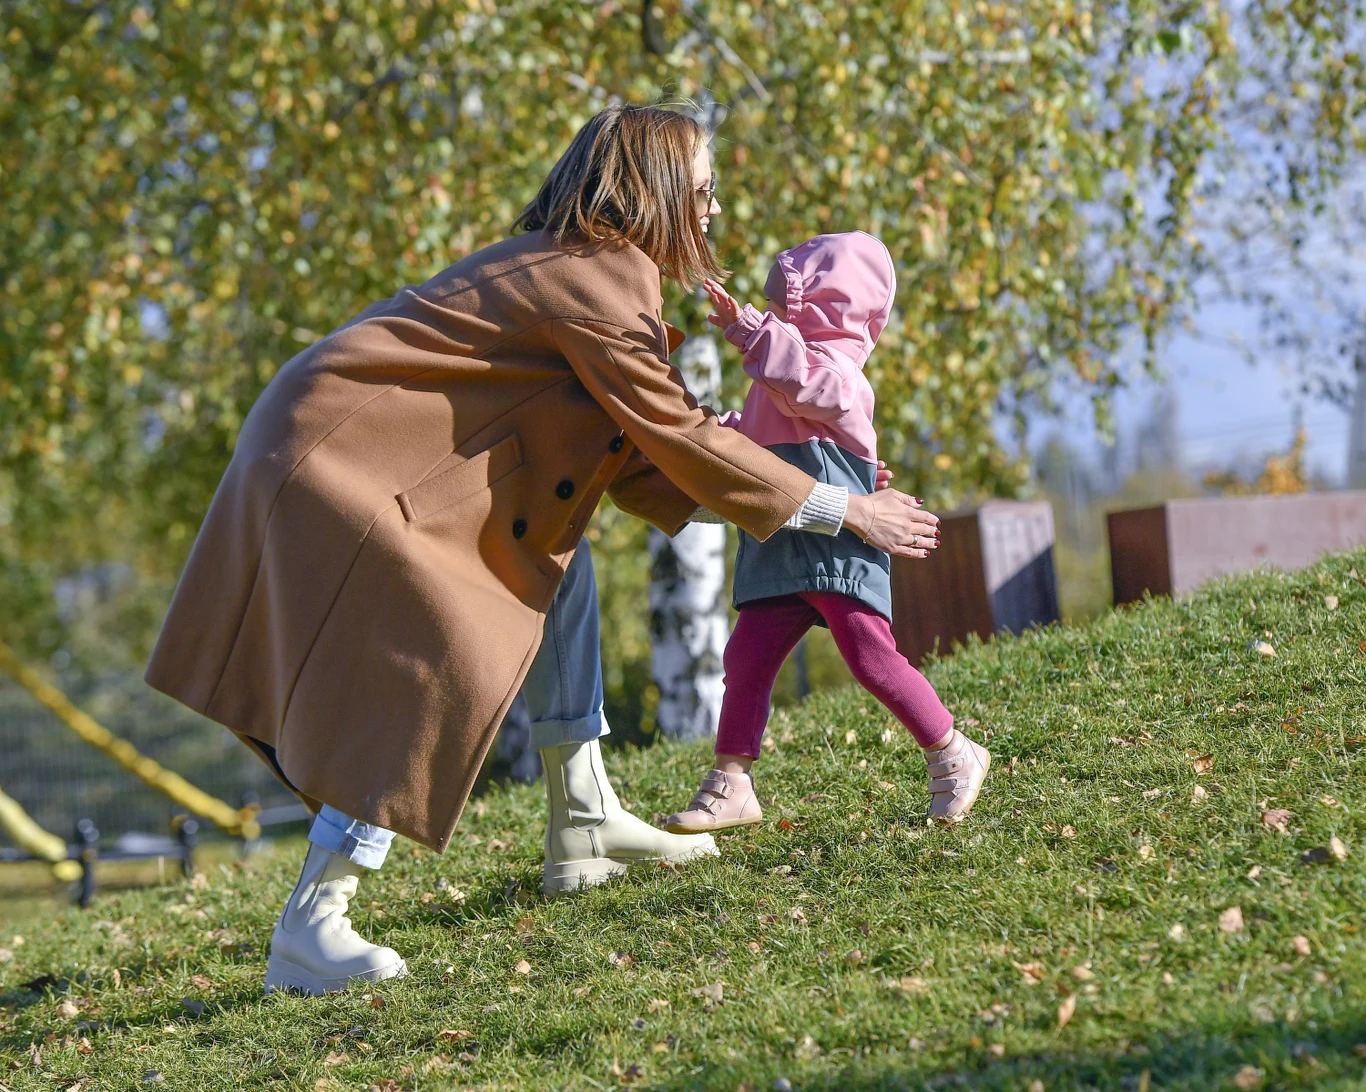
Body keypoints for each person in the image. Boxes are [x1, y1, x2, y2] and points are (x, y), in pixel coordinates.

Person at [144, 107, 942, 996]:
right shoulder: (595, 279)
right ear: (661, 187)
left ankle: (583, 817)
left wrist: (803, 487)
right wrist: (842, 510)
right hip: (342, 458)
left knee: (559, 567)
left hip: (338, 442)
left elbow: (644, 457)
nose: (713, 210)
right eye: (706, 188)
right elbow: (678, 441)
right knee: (439, 630)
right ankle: (312, 924)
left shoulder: (595, 272)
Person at [665, 232, 990, 835]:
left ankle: (951, 749)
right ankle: (732, 781)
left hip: (838, 539)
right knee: (747, 658)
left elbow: (806, 382)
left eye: (791, 308)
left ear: (826, 309)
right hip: (782, 540)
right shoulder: (778, 376)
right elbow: (757, 436)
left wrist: (751, 331)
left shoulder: (840, 375)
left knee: (870, 656)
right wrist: (714, 425)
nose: (780, 319)